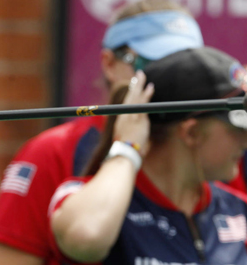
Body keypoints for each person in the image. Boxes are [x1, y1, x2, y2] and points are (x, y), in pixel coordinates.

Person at [0, 0, 204, 264]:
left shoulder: (217, 150)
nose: (171, 79)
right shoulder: (51, 152)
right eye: (152, 63)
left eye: (185, 68)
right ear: (109, 64)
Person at [49, 46, 247, 263]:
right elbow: (86, 236)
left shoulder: (238, 208)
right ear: (191, 132)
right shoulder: (80, 197)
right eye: (238, 129)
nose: (245, 141)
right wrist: (126, 148)